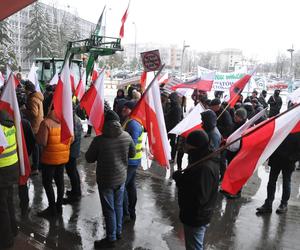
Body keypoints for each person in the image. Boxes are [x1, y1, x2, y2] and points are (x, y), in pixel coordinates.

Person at [86, 110, 135, 249]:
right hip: (121, 178)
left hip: (105, 179)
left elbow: (89, 158)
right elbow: (132, 154)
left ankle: (111, 237)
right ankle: (118, 232)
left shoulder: (99, 140)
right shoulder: (126, 136)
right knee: (118, 206)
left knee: (109, 209)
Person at [172, 130, 219, 250]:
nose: (185, 145)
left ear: (194, 146)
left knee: (194, 247)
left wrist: (181, 181)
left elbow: (199, 198)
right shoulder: (200, 159)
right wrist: (183, 178)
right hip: (195, 215)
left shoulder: (204, 168)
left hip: (196, 216)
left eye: (187, 143)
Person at [36, 96, 72, 217]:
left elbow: (42, 142)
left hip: (49, 159)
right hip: (62, 158)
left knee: (47, 182)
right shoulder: (66, 121)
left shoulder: (46, 123)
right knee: (60, 181)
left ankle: (52, 208)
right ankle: (59, 206)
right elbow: (72, 139)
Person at [256, 132, 300, 215]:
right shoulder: (283, 126)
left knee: (286, 182)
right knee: (271, 182)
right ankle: (268, 204)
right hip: (276, 159)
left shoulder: (297, 130)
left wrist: (292, 158)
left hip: (288, 161)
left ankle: (284, 204)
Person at [122, 101, 144, 222]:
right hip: (133, 160)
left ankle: (126, 213)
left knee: (123, 186)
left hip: (130, 161)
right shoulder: (131, 121)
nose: (123, 109)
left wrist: (125, 157)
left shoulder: (133, 124)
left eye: (126, 108)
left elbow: (133, 143)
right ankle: (131, 211)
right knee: (130, 185)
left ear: (132, 110)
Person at [0, 110, 19, 249]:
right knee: (8, 201)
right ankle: (13, 230)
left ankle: (6, 240)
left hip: (2, 170)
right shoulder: (9, 123)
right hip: (12, 167)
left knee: (2, 207)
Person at [23, 80, 44, 174]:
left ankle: (35, 167)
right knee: (38, 147)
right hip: (39, 124)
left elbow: (34, 113)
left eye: (25, 90)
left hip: (35, 125)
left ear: (29, 90)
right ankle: (39, 165)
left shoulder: (32, 99)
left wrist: (24, 110)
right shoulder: (38, 97)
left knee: (35, 147)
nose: (24, 92)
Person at [63, 111, 83, 204]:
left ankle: (76, 195)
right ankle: (76, 191)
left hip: (72, 151)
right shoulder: (76, 118)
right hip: (74, 150)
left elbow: (72, 137)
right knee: (73, 171)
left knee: (72, 172)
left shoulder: (72, 120)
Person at [166, 92, 183, 161]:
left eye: (170, 99)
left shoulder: (177, 108)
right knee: (168, 142)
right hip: (170, 128)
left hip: (173, 129)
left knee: (173, 144)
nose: (169, 100)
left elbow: (176, 120)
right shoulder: (173, 106)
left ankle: (172, 157)